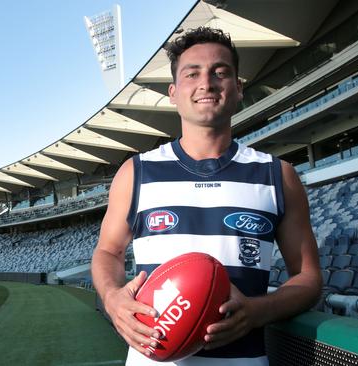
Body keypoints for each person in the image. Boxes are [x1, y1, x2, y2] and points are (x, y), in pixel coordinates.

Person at [91, 27, 322, 365]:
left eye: (220, 72)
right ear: (173, 92)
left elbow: (309, 278)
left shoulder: (278, 175)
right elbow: (108, 251)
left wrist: (257, 311)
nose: (207, 83)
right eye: (192, 73)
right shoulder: (136, 172)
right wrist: (113, 298)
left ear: (238, 88)